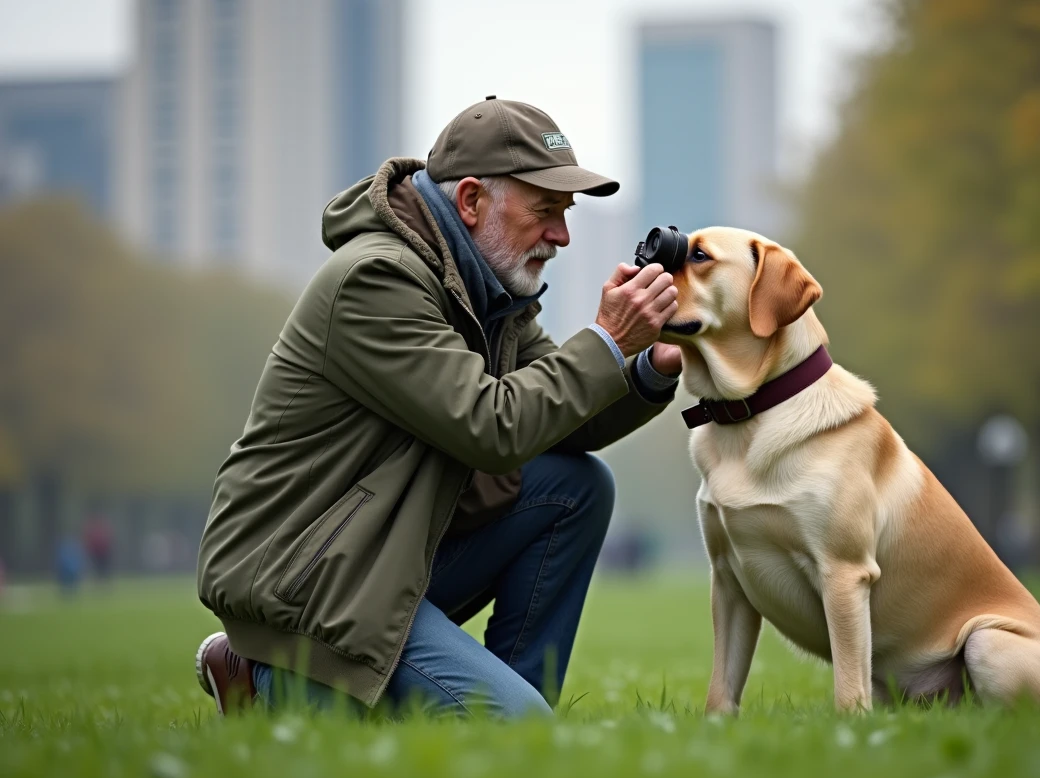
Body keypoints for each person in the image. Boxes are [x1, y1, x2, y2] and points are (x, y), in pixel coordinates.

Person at [195, 97, 682, 719]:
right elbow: (492, 427)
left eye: (566, 214)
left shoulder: (488, 289)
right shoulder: (377, 281)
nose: (562, 235)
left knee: (574, 487)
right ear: (472, 201)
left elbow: (560, 419)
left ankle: (508, 698)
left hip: (383, 556)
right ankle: (261, 678)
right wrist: (607, 341)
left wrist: (645, 366)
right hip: (314, 582)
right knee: (517, 729)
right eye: (546, 211)